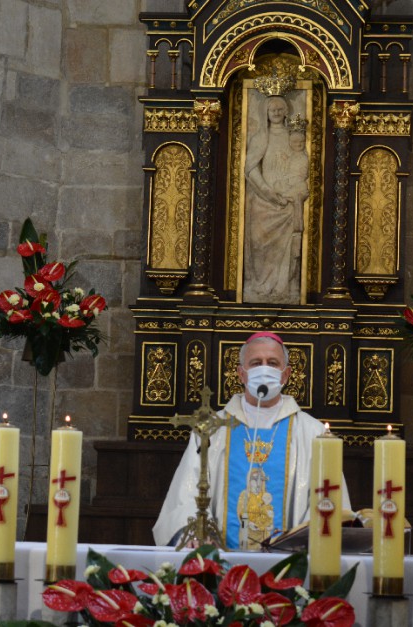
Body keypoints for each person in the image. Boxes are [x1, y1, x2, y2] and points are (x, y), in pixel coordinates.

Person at [153, 332, 351, 550]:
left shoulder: (313, 433)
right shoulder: (211, 429)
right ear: (241, 374)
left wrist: (302, 543)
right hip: (220, 560)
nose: (264, 370)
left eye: (272, 363)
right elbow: (187, 492)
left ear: (285, 375)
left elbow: (327, 504)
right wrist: (200, 532)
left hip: (290, 561)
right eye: (256, 363)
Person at [243, 94, 310, 304]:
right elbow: (251, 168)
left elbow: (301, 163)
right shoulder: (259, 138)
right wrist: (266, 191)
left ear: (286, 111)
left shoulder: (293, 137)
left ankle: (284, 286)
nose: (277, 113)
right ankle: (260, 284)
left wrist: (292, 189)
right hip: (263, 200)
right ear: (266, 112)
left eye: (281, 109)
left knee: (288, 247)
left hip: (287, 201)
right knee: (259, 243)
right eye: (273, 110)